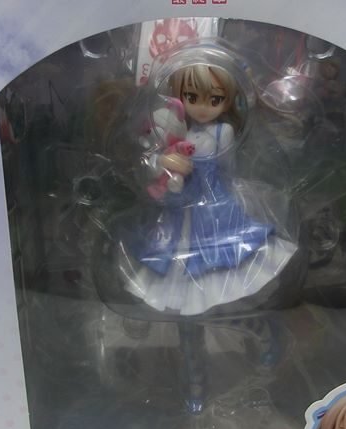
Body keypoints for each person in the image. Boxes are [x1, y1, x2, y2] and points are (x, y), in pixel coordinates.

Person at [117, 61, 296, 316]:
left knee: (216, 247)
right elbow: (152, 159)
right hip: (178, 202)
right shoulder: (175, 128)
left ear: (227, 100)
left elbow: (228, 168)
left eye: (215, 99)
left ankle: (210, 297)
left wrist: (225, 190)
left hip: (213, 200)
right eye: (191, 97)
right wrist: (165, 161)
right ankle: (182, 299)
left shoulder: (224, 132)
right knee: (176, 245)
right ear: (179, 96)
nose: (202, 108)